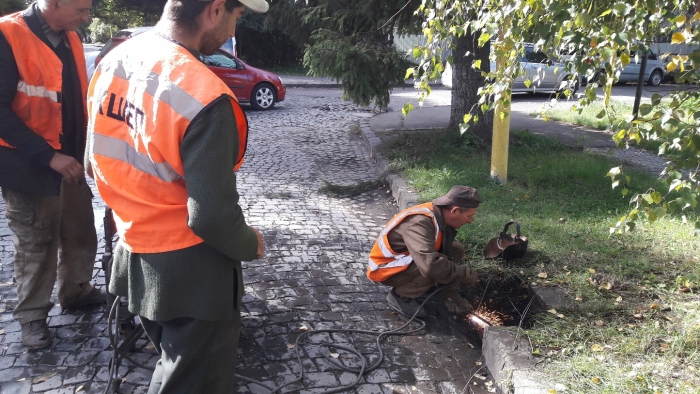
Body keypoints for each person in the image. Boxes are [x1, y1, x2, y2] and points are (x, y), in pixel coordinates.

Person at [86, 0, 267, 392]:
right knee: (192, 383)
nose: (234, 31)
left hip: (134, 254)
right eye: (237, 17)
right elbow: (211, 217)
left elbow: (92, 161)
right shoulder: (204, 94)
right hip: (193, 273)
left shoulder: (114, 62)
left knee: (174, 367)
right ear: (216, 10)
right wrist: (250, 243)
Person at [0, 0, 105, 350]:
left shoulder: (69, 35)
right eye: (81, 10)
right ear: (53, 4)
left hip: (70, 161)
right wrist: (49, 157)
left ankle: (76, 291)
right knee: (35, 242)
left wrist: (83, 153)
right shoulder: (8, 34)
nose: (87, 18)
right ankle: (32, 318)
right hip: (29, 167)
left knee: (80, 231)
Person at [367, 185, 481, 317]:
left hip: (408, 260)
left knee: (457, 249)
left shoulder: (440, 217)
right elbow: (430, 265)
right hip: (387, 269)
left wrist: (448, 288)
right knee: (431, 266)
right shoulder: (419, 223)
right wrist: (463, 274)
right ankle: (402, 296)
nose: (470, 221)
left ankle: (432, 287)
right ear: (455, 211)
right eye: (469, 216)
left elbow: (446, 252)